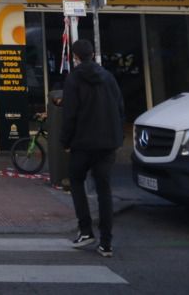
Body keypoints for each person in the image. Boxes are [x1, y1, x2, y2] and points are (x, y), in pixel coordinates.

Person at [61, 39, 125, 258]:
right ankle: (106, 243)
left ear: (75, 57)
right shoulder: (108, 77)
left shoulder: (73, 79)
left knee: (76, 180)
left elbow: (70, 114)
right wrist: (118, 137)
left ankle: (86, 230)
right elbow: (119, 107)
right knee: (104, 190)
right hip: (108, 143)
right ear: (93, 54)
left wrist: (65, 141)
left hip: (83, 143)